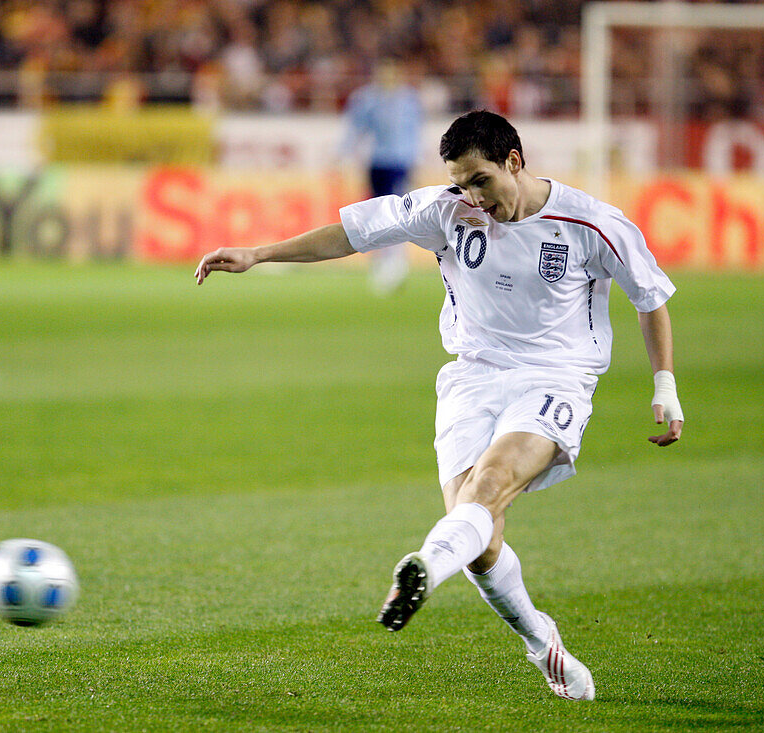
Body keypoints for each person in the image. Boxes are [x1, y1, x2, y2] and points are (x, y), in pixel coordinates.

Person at [195, 110, 684, 701]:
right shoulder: (444, 209)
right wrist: (258, 254)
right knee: (478, 543)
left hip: (554, 378)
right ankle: (540, 639)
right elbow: (353, 234)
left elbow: (650, 296)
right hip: (471, 379)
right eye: (459, 183)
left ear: (515, 162)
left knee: (490, 485)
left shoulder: (590, 222)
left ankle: (422, 565)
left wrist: (664, 385)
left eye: (480, 180)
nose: (471, 197)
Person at [340, 58, 423, 295]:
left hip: (400, 162)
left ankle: (396, 265)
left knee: (400, 213)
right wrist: (344, 154)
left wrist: (415, 161)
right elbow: (356, 128)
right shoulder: (367, 98)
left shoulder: (408, 100)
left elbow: (414, 132)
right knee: (377, 213)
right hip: (377, 162)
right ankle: (380, 264)